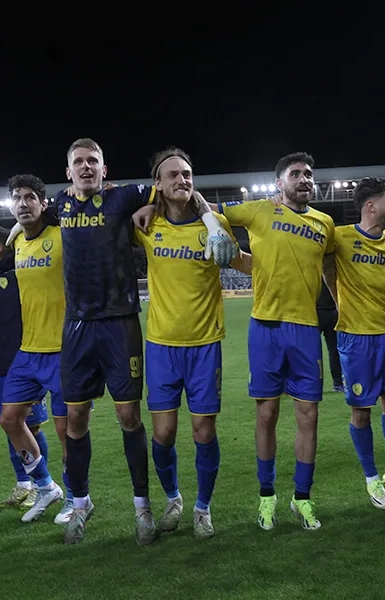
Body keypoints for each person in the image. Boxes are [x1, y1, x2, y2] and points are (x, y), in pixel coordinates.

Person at [49, 138, 235, 545]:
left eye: (93, 161)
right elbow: (29, 216)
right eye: (78, 162)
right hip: (85, 326)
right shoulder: (59, 205)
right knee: (81, 419)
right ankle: (84, 503)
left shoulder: (127, 199)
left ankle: (156, 508)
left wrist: (210, 222)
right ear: (68, 171)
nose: (85, 167)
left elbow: (183, 195)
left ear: (104, 169)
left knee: (139, 418)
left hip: (129, 326)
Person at [214, 152, 335, 530]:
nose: (304, 178)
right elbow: (210, 210)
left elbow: (329, 265)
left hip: (306, 329)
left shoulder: (325, 223)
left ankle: (302, 498)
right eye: (295, 173)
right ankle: (267, 496)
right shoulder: (259, 210)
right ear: (280, 182)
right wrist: (217, 231)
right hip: (266, 327)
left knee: (309, 416)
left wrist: (341, 305)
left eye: (308, 173)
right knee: (266, 415)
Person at [135, 148, 239, 539]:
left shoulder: (214, 225)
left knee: (203, 432)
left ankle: (202, 509)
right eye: (173, 174)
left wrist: (228, 243)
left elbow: (236, 260)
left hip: (204, 344)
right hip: (161, 345)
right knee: (162, 433)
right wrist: (145, 205)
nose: (182, 179)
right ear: (158, 184)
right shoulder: (147, 225)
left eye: (187, 174)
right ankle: (174, 498)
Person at [322, 176, 385, 509]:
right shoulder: (341, 237)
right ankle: (372, 478)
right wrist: (338, 296)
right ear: (370, 205)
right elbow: (325, 264)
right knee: (361, 411)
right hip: (355, 338)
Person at [0, 174, 67, 523]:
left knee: (68, 432)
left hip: (65, 349)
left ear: (43, 203)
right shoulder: (17, 243)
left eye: (29, 197)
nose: (22, 203)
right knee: (9, 419)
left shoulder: (62, 235)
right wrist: (15, 229)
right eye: (16, 198)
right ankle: (45, 486)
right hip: (29, 350)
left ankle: (77, 498)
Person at [0, 226, 52, 512]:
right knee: (11, 427)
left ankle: (42, 486)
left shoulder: (21, 273)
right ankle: (24, 484)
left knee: (30, 426)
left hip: (24, 364)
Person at [316, 282, 344, 392]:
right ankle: (337, 383)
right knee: (333, 350)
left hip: (321, 312)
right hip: (329, 310)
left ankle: (317, 384)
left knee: (317, 352)